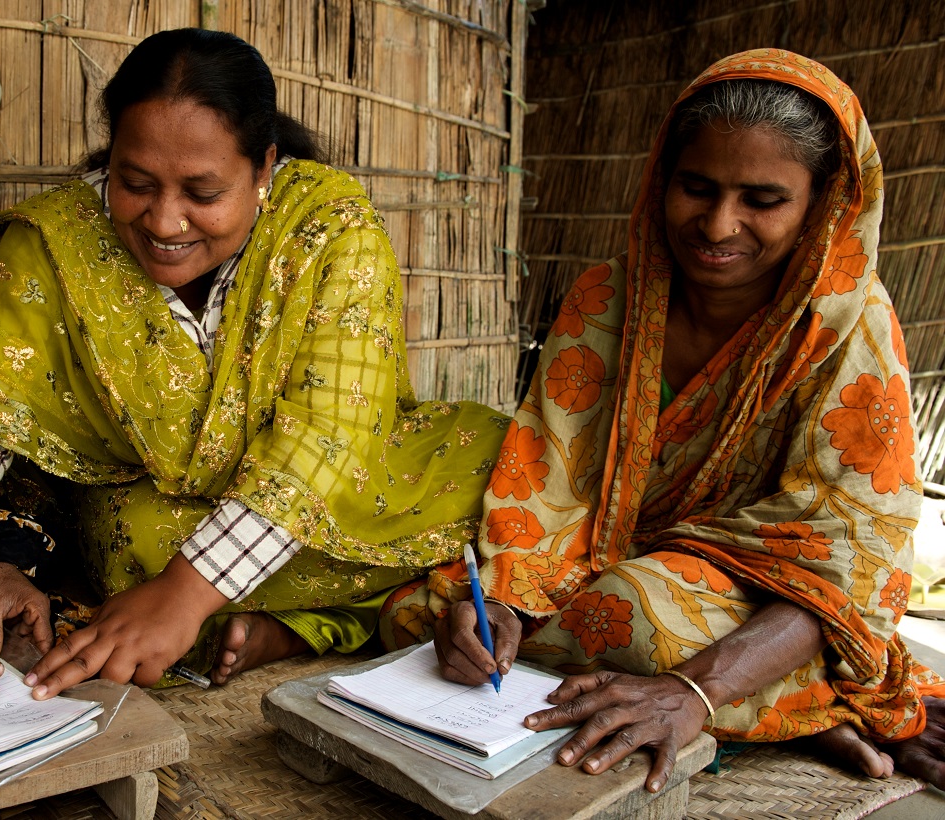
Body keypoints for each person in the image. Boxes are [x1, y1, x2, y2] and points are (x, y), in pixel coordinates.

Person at [0, 27, 511, 701]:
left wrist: (188, 594)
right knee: (135, 543)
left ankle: (289, 620)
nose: (164, 222)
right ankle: (324, 616)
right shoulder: (58, 240)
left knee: (493, 473)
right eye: (134, 184)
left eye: (203, 192)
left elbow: (327, 437)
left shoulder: (331, 228)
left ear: (264, 168)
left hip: (341, 488)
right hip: (163, 519)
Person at [397, 48, 945, 791]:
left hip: (752, 598)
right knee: (427, 611)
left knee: (635, 617)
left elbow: (843, 560)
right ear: (663, 177)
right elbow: (548, 477)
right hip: (590, 562)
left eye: (763, 199)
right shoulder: (605, 297)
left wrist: (693, 690)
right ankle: (795, 708)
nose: (719, 224)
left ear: (822, 201)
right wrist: (502, 601)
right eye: (697, 187)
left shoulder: (848, 327)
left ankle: (778, 700)